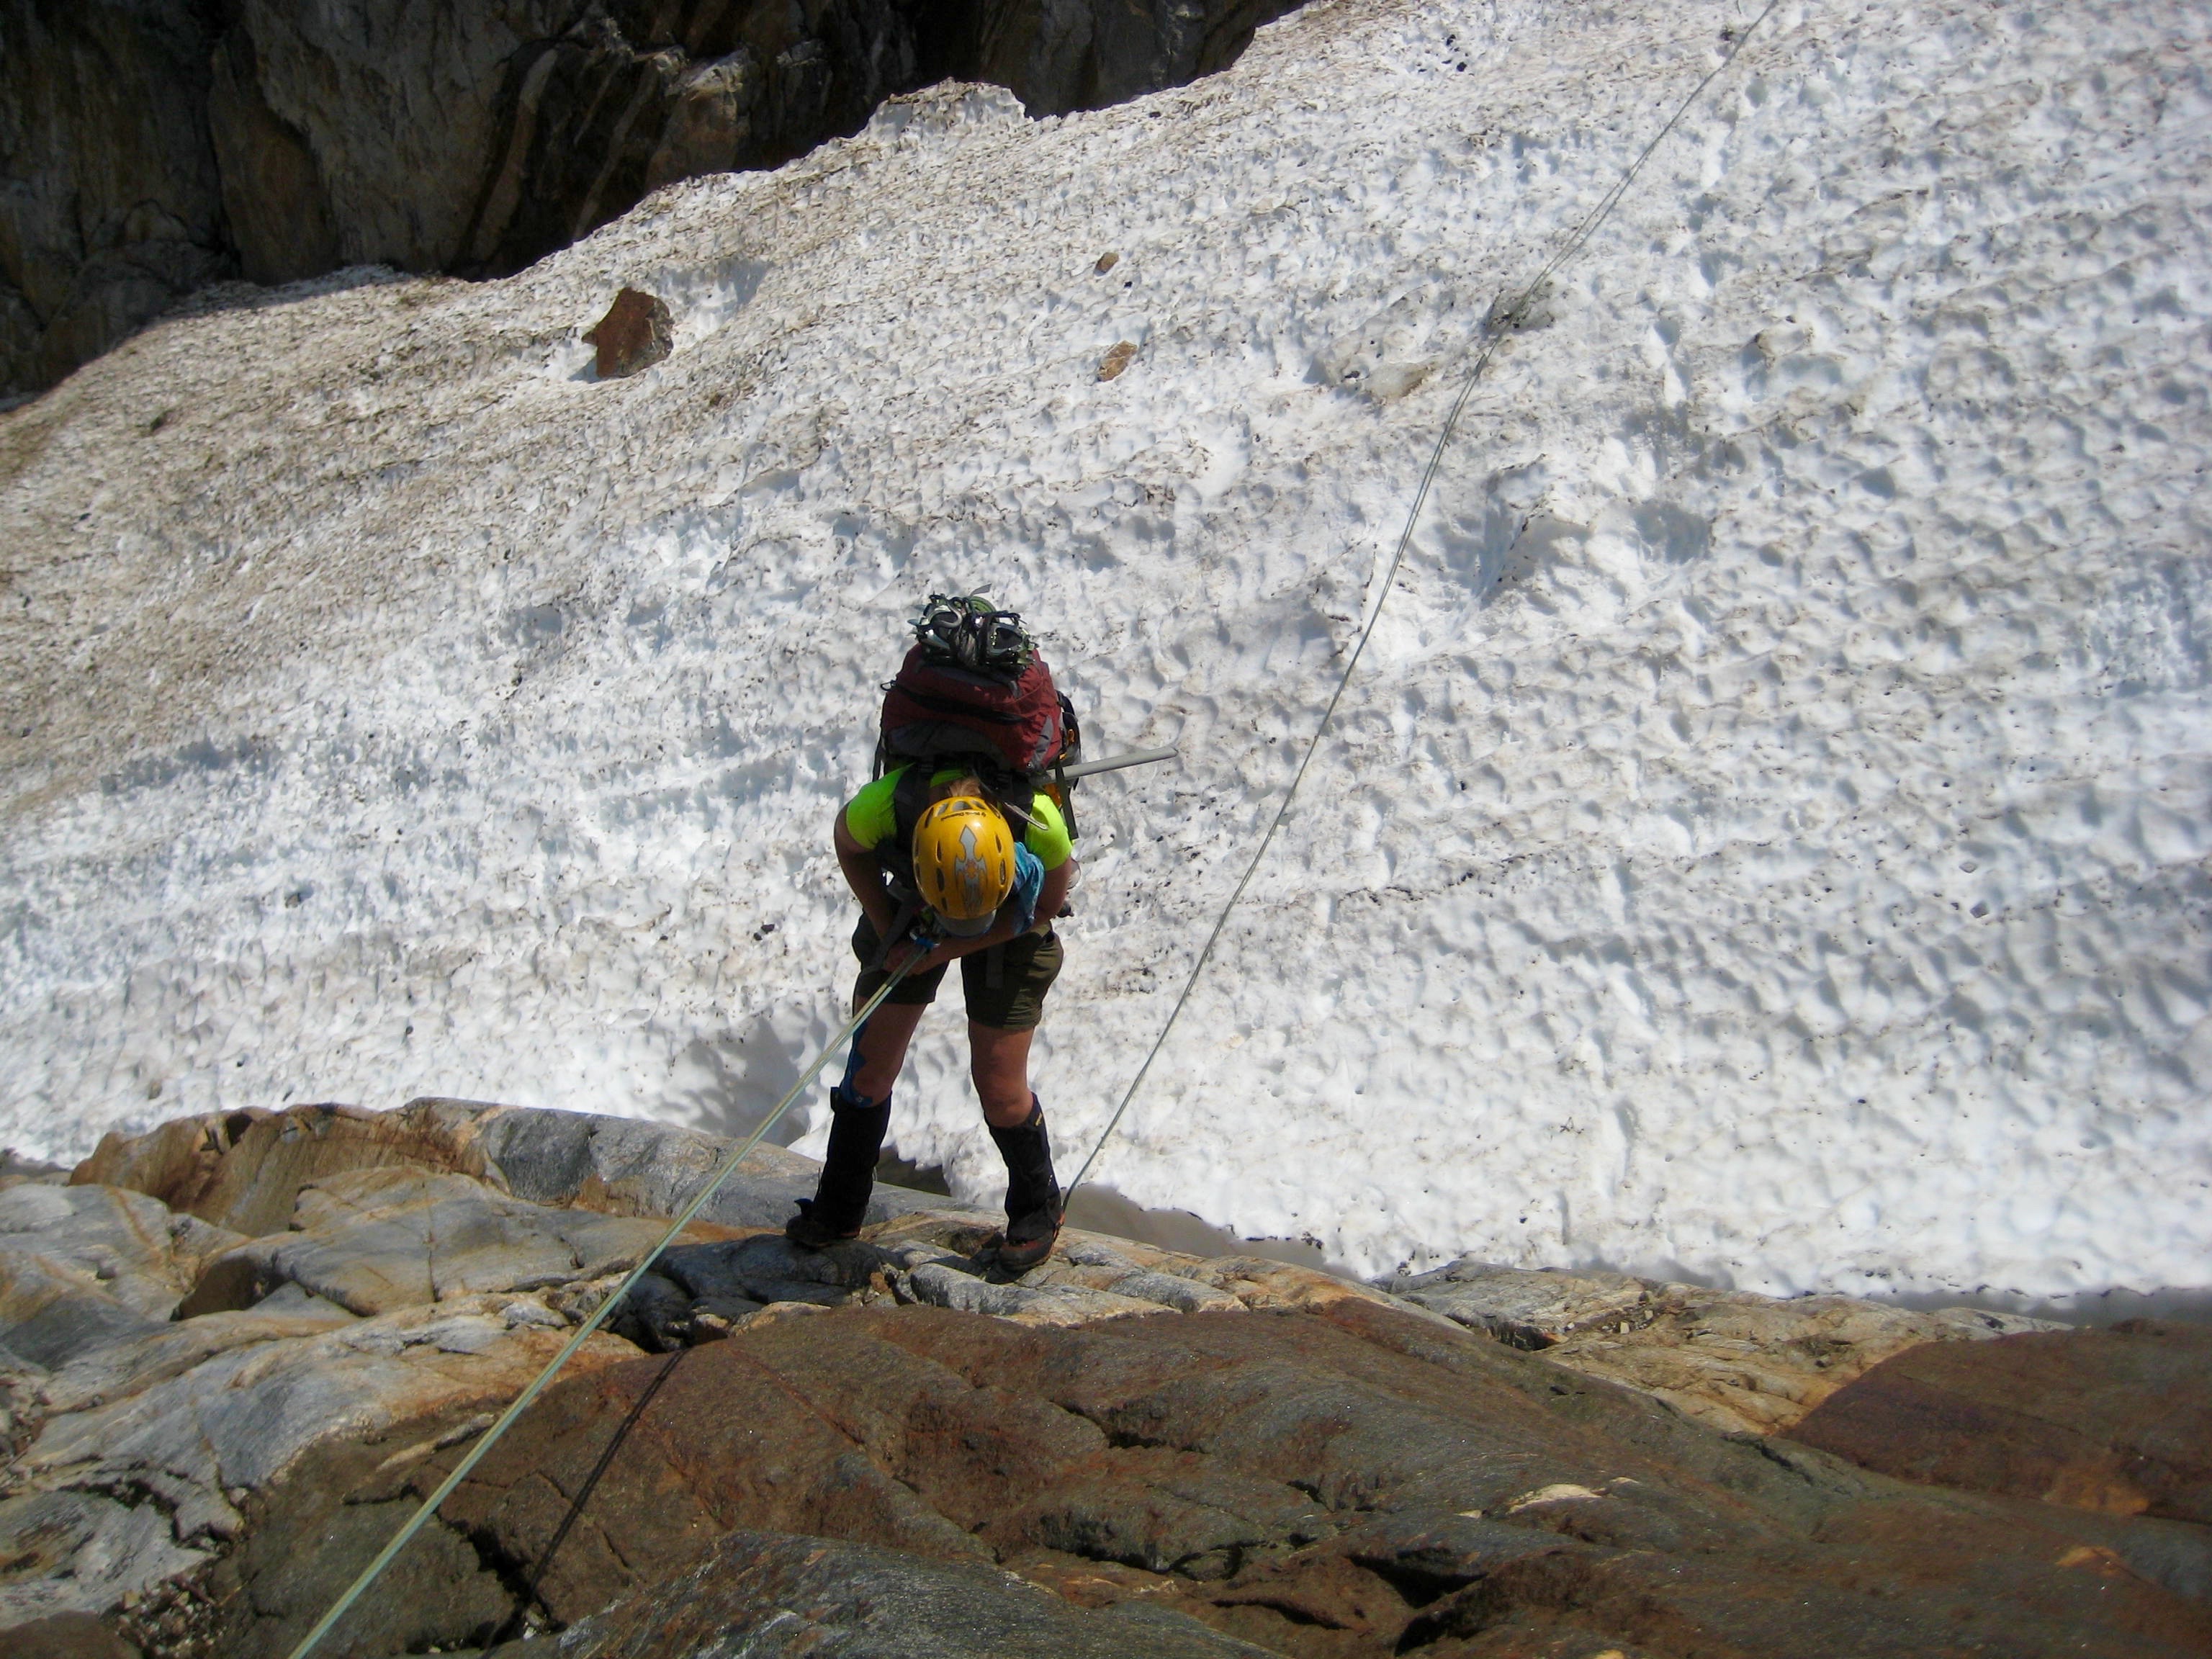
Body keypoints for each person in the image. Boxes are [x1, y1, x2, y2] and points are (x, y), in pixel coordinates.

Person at [786, 763, 1077, 1270]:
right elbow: (848, 845)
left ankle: (1037, 1210)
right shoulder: (883, 806)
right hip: (911, 907)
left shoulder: (1039, 822)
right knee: (870, 1068)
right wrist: (890, 931)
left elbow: (1043, 906)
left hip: (1014, 920)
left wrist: (943, 950)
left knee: (1000, 1085)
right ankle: (840, 1207)